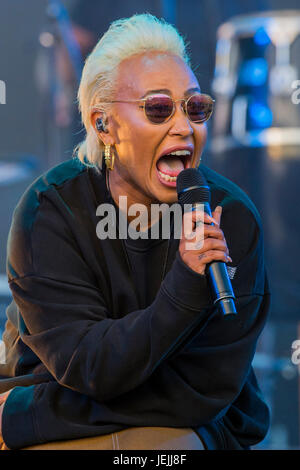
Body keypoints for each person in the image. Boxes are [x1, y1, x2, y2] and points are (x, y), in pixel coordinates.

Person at [0, 13, 270, 450]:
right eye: (159, 108)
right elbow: (88, 366)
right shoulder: (50, 211)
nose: (184, 127)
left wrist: (30, 412)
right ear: (104, 125)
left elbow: (201, 393)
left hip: (80, 415)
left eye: (195, 107)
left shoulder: (231, 217)